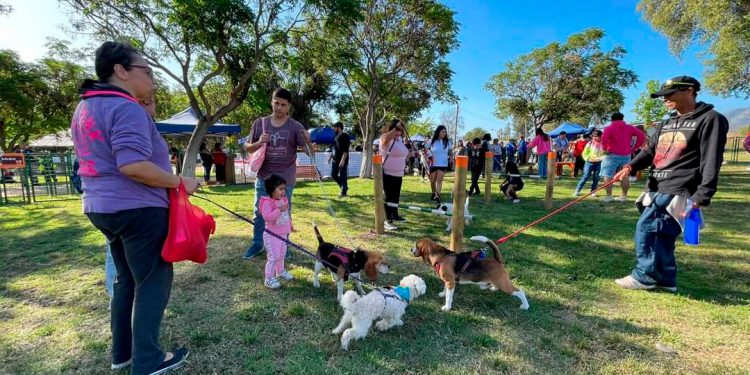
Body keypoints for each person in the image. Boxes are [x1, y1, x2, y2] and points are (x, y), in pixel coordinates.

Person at [71, 41, 198, 374]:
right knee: (153, 281)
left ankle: (122, 354)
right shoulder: (125, 107)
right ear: (121, 71)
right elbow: (133, 166)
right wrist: (180, 183)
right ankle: (148, 360)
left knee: (125, 280)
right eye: (147, 71)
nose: (152, 79)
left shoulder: (85, 107)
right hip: (138, 209)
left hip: (101, 208)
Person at [612, 76, 728, 291]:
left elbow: (712, 159)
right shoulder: (666, 123)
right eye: (663, 96)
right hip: (656, 185)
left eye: (670, 94)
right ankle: (666, 280)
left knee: (648, 228)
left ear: (690, 91)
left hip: (680, 185)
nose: (665, 99)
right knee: (662, 233)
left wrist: (703, 195)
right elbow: (649, 151)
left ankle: (644, 277)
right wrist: (630, 166)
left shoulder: (711, 119)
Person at [242, 88, 313, 260]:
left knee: (283, 215)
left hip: (285, 180)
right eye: (276, 103)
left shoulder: (296, 127)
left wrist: (309, 141)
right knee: (259, 213)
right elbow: (247, 147)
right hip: (264, 178)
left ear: (289, 107)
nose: (279, 108)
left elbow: (310, 153)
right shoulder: (260, 123)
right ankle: (258, 244)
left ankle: (283, 246)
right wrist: (259, 142)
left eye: (283, 105)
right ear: (271, 102)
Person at [259, 174, 295, 289]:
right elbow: (267, 217)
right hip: (272, 236)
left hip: (283, 234)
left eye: (284, 188)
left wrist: (291, 225)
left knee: (281, 255)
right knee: (273, 257)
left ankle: (280, 272)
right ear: (271, 190)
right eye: (280, 189)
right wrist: (279, 210)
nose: (283, 191)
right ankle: (268, 279)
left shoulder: (283, 200)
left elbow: (286, 215)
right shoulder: (267, 202)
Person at [601, 112, 646, 202]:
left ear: (612, 119)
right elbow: (641, 136)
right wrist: (634, 147)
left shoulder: (609, 128)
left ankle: (609, 196)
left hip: (612, 155)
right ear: (622, 118)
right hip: (626, 154)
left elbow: (604, 138)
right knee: (625, 175)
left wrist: (604, 148)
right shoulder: (630, 127)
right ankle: (624, 196)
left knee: (607, 175)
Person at [380, 119, 409, 230]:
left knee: (396, 195)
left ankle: (395, 215)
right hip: (387, 172)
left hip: (399, 173)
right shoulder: (385, 137)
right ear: (392, 129)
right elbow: (386, 139)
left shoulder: (399, 140)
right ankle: (388, 219)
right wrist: (396, 128)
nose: (399, 132)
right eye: (397, 130)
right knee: (388, 196)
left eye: (400, 130)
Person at [574, 129, 604, 196]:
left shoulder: (604, 144)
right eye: (594, 136)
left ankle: (593, 191)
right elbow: (585, 153)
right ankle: (577, 190)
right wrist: (588, 159)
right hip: (589, 162)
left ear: (601, 136)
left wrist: (599, 159)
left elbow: (605, 154)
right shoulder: (589, 143)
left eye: (597, 136)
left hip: (598, 163)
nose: (595, 138)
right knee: (585, 176)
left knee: (596, 177)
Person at [428, 125, 452, 203]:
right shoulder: (431, 141)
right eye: (443, 132)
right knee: (432, 181)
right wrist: (428, 155)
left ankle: (438, 196)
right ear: (438, 132)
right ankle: (433, 193)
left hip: (443, 163)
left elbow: (450, 152)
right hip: (433, 163)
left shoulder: (448, 142)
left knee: (439, 180)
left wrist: (451, 158)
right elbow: (424, 149)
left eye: (445, 132)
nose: (444, 133)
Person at [330, 121, 350, 197]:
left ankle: (343, 192)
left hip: (342, 159)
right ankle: (343, 186)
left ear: (339, 128)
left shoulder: (345, 136)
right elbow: (334, 148)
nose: (333, 129)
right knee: (333, 175)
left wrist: (342, 160)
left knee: (343, 176)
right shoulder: (335, 136)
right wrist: (331, 156)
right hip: (335, 159)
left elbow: (346, 150)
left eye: (334, 128)